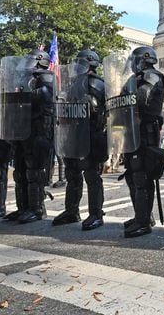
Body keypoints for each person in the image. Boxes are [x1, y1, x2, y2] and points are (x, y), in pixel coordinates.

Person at [109, 46, 164, 238]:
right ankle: (141, 216)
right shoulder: (134, 80)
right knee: (132, 176)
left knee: (142, 176)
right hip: (132, 130)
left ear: (144, 59)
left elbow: (141, 99)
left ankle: (143, 223)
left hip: (146, 132)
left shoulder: (152, 77)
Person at [52, 50, 108, 231]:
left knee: (92, 175)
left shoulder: (98, 83)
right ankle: (71, 211)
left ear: (90, 63)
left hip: (92, 134)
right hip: (73, 133)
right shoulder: (73, 84)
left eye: (80, 63)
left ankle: (96, 214)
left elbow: (100, 109)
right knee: (72, 173)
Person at [2, 50, 55, 224]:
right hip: (22, 130)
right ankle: (23, 208)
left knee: (35, 172)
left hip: (39, 131)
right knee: (20, 172)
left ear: (41, 61)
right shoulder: (25, 78)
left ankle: (37, 208)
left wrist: (23, 94)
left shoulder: (46, 76)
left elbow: (47, 96)